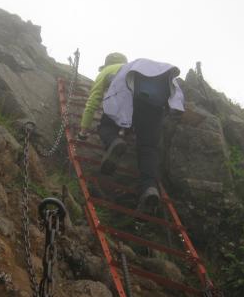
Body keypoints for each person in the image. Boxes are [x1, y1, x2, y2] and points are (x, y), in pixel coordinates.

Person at [79, 55, 185, 209]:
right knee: (148, 148)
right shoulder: (141, 70)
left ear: (106, 64)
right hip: (154, 106)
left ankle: (114, 141)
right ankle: (150, 187)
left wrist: (83, 130)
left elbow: (94, 100)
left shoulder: (109, 71)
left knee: (107, 126)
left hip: (128, 98)